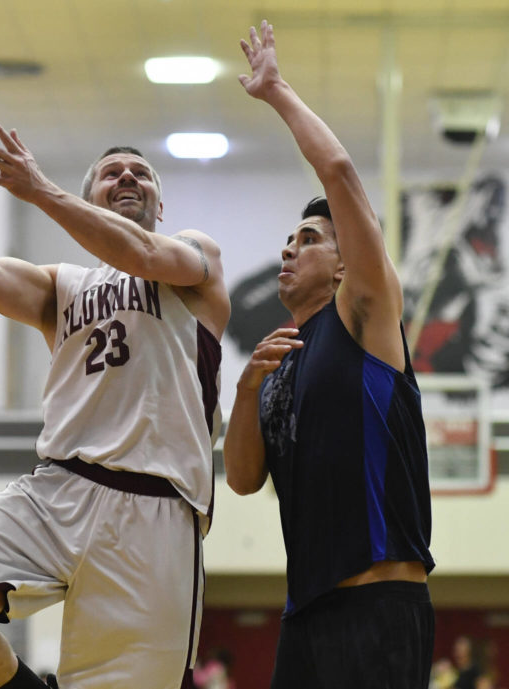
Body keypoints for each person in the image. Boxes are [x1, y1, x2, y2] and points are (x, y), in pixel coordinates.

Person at [0, 79, 230, 688]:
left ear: (161, 207)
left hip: (155, 509)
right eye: (111, 173)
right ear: (91, 198)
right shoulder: (62, 285)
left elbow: (146, 258)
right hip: (58, 487)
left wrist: (41, 191)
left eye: (141, 173)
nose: (128, 176)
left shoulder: (192, 256)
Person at [222, 20, 435, 689]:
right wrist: (246, 391)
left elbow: (339, 171)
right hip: (304, 611)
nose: (288, 249)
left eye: (309, 238)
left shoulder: (364, 317)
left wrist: (277, 90)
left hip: (376, 601)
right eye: (287, 239)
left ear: (346, 264)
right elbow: (241, 478)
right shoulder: (280, 357)